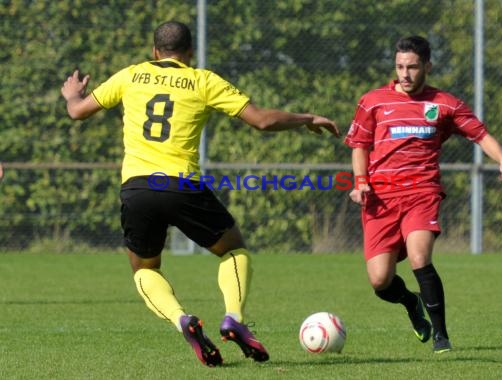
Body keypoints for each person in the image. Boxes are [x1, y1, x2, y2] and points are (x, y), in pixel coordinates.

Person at [61, 20, 339, 367]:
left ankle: (182, 320)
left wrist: (72, 93)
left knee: (144, 269)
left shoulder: (130, 75)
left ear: (154, 51)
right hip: (182, 186)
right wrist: (306, 117)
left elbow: (77, 111)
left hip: (138, 188)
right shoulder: (202, 80)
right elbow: (262, 120)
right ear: (190, 53)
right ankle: (233, 318)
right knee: (234, 249)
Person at [345, 35, 502, 353]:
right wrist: (360, 182)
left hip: (422, 192)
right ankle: (412, 304)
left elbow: (480, 135)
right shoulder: (373, 101)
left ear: (427, 66)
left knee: (419, 256)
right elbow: (360, 145)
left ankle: (442, 337)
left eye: (412, 67)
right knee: (379, 280)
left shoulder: (445, 104)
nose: (405, 74)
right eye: (399, 67)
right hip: (379, 198)